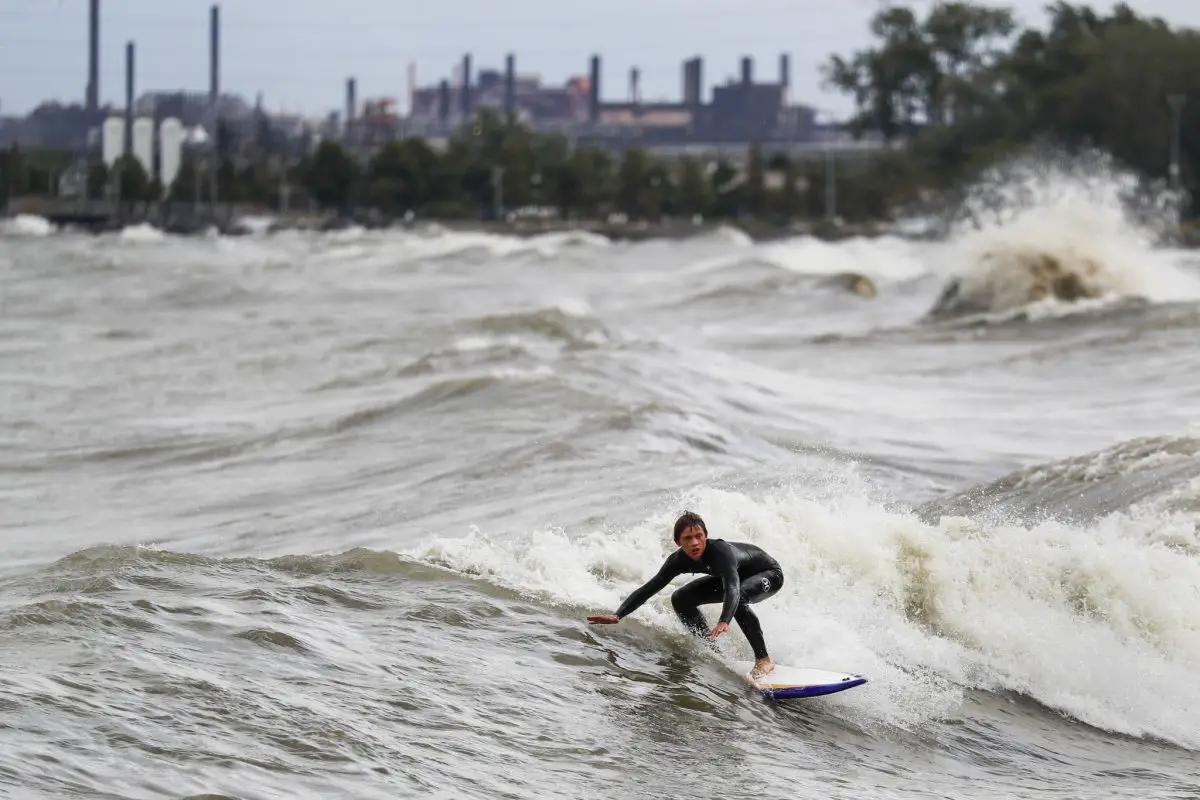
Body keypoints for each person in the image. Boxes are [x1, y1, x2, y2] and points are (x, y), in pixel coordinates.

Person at [587, 511, 784, 679]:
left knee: (738, 598)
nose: (695, 543)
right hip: (736, 580)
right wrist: (618, 615)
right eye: (688, 539)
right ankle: (712, 650)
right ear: (677, 542)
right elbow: (650, 588)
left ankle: (764, 660)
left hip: (768, 574)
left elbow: (732, 586)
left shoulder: (721, 552)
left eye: (699, 536)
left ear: (706, 535)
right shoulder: (678, 560)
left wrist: (725, 619)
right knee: (680, 598)